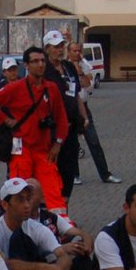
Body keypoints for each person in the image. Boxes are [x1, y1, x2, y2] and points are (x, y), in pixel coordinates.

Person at [0, 45, 70, 215]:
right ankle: (17, 228)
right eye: (35, 61)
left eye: (42, 60)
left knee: (53, 193)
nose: (40, 64)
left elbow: (62, 120)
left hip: (44, 150)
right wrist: (5, 120)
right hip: (22, 150)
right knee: (18, 192)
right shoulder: (16, 87)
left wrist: (58, 143)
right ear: (26, 65)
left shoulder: (51, 88)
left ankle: (62, 228)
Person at [67, 38, 120, 185]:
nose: (77, 53)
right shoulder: (64, 67)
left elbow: (89, 87)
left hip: (84, 106)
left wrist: (80, 73)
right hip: (69, 108)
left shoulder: (85, 66)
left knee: (94, 141)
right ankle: (74, 175)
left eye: (79, 51)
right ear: (68, 52)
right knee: (72, 144)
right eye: (74, 51)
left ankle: (105, 174)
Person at [46, 32, 85, 195]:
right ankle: (53, 213)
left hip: (71, 128)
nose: (60, 50)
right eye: (56, 47)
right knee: (53, 171)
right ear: (47, 48)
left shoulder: (69, 67)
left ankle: (65, 211)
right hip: (53, 131)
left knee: (69, 171)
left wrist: (85, 117)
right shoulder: (44, 69)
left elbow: (76, 94)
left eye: (62, 46)